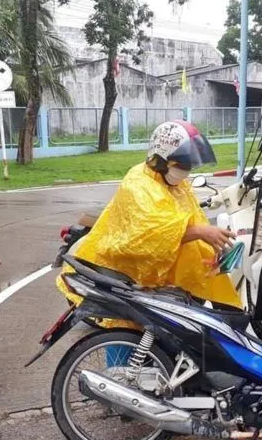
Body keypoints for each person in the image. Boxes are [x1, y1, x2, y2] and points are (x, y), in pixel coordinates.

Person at [58, 120, 241, 311]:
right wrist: (201, 232)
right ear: (161, 159)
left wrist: (211, 242)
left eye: (190, 165)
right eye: (182, 164)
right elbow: (151, 236)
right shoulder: (137, 183)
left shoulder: (177, 184)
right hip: (124, 266)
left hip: (165, 267)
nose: (186, 170)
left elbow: (192, 219)